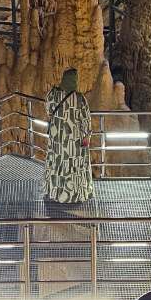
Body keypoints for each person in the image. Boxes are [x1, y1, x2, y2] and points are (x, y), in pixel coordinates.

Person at [44, 68, 94, 203]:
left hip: (57, 138)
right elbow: (86, 120)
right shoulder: (79, 98)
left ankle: (55, 191)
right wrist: (87, 135)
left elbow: (48, 110)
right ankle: (74, 194)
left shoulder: (53, 95)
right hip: (74, 140)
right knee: (74, 164)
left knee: (57, 162)